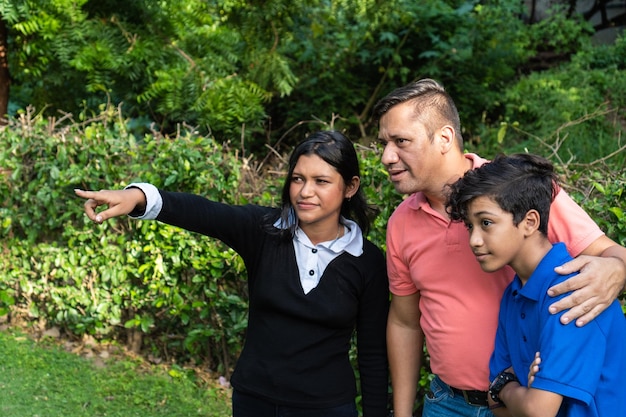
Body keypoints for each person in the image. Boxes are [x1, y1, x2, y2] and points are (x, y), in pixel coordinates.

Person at [75, 130, 390, 417]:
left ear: (350, 186)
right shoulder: (264, 231)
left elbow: (373, 353)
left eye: (321, 181)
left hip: (327, 409)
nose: (305, 192)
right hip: (254, 402)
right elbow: (203, 212)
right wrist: (136, 198)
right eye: (297, 179)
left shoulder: (367, 261)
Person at [372, 78, 626, 417]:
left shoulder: (516, 189)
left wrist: (617, 268)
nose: (387, 157)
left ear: (445, 138)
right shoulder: (401, 223)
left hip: (525, 400)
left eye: (401, 141)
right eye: (384, 143)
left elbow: (609, 253)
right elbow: (405, 323)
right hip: (447, 402)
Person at [446, 153, 626, 416]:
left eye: (486, 223)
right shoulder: (514, 294)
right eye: (470, 226)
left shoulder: (574, 291)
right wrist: (508, 391)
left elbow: (536, 410)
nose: (474, 240)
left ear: (530, 222)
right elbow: (497, 407)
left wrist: (506, 388)